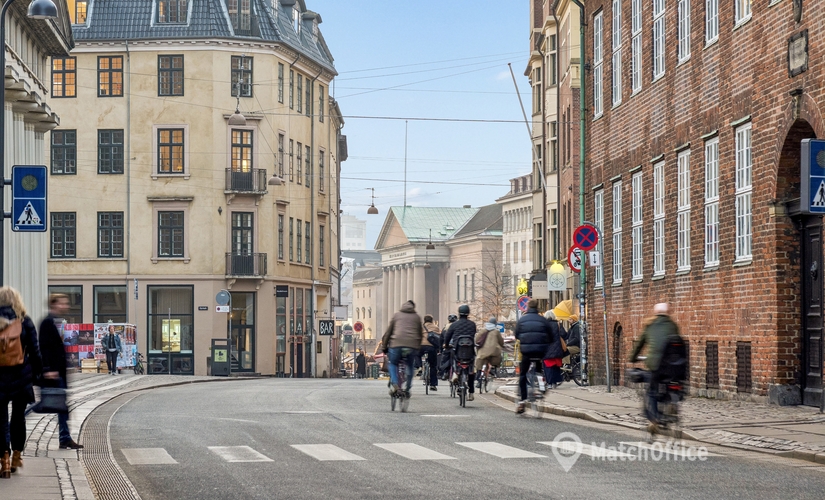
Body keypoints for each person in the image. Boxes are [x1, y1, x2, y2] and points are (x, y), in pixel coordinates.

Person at [0, 287, 43, 477]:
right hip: (21, 377)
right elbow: (35, 350)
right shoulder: (25, 321)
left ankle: (5, 460)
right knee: (18, 417)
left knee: (0, 420)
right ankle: (17, 454)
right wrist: (38, 374)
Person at [629, 303, 683, 431]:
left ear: (655, 312)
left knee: (652, 393)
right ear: (668, 312)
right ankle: (672, 403)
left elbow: (639, 345)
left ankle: (656, 419)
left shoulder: (650, 326)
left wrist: (633, 358)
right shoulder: (672, 325)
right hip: (673, 366)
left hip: (656, 366)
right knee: (672, 385)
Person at [39, 294, 83, 450]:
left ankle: (65, 437)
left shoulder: (53, 321)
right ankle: (65, 438)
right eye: (63, 303)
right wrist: (48, 369)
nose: (66, 306)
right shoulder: (47, 322)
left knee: (60, 406)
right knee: (51, 405)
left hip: (58, 372)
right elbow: (43, 348)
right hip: (54, 373)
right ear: (55, 304)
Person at [514, 299, 555, 414]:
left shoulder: (522, 320)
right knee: (538, 368)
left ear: (527, 307)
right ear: (537, 307)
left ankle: (522, 401)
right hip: (540, 351)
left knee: (523, 374)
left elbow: (517, 335)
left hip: (526, 351)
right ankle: (541, 385)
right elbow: (551, 336)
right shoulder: (543, 320)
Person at [381, 300, 423, 397]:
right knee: (409, 365)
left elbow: (388, 332)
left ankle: (395, 383)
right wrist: (418, 347)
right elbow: (420, 334)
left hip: (396, 344)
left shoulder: (396, 315)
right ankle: (407, 388)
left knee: (393, 364)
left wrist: (384, 347)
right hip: (411, 346)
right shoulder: (417, 317)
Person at [445, 305, 477, 401]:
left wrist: (446, 345)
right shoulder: (472, 324)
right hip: (470, 351)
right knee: (471, 370)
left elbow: (447, 336)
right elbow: (473, 334)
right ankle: (471, 392)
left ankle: (455, 373)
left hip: (457, 350)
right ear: (468, 313)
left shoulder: (454, 325)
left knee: (454, 359)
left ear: (459, 313)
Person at [475, 317, 504, 385]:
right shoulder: (496, 332)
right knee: (498, 358)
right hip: (494, 352)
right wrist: (502, 345)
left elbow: (476, 339)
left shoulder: (482, 330)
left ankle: (479, 377)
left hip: (482, 352)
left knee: (480, 363)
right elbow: (501, 342)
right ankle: (493, 369)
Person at [541, 311, 565, 390]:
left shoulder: (543, 325)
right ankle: (555, 382)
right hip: (557, 348)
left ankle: (549, 383)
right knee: (556, 366)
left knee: (548, 367)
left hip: (547, 349)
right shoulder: (558, 324)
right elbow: (564, 334)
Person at [421, 315, 441, 391]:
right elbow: (439, 337)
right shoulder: (435, 327)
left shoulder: (421, 327)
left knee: (416, 356)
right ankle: (433, 384)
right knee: (433, 365)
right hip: (432, 347)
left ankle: (418, 365)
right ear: (432, 320)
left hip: (421, 347)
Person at [438, 314, 458, 380]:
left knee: (444, 359)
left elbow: (441, 339)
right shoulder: (458, 327)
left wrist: (440, 350)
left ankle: (444, 373)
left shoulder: (445, 328)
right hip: (456, 346)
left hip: (447, 347)